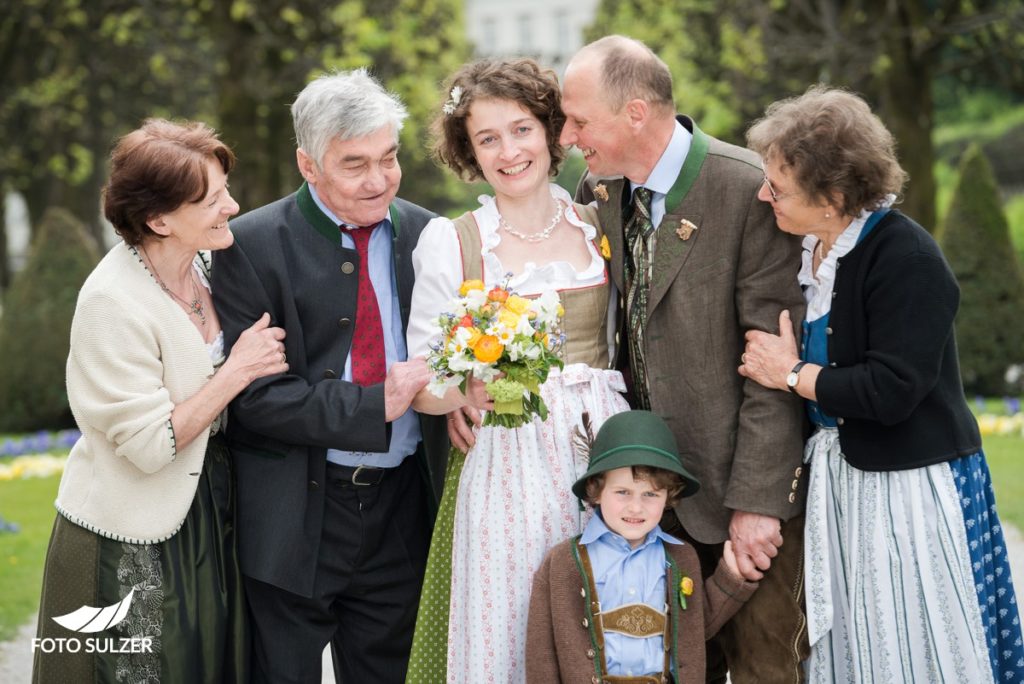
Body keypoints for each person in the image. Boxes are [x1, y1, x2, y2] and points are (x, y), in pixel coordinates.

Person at [740, 84, 1024, 682]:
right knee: (859, 646)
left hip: (911, 487)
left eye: (780, 188)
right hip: (845, 484)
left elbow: (892, 390)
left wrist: (790, 373)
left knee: (914, 644)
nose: (765, 195)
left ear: (834, 196)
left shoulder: (907, 258)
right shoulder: (811, 250)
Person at [555, 35, 809, 681]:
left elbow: (772, 368)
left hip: (738, 505)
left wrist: (757, 506)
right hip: (652, 507)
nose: (567, 136)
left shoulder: (746, 190)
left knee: (764, 671)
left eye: (580, 120)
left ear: (635, 114)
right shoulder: (601, 189)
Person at [210, 69, 444, 683]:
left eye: (389, 158)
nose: (379, 180)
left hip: (402, 509)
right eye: (355, 164)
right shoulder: (248, 245)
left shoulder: (429, 236)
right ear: (308, 165)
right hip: (293, 516)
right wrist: (375, 404)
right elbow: (256, 398)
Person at [33, 118, 287, 683]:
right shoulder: (110, 301)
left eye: (226, 191)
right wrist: (237, 369)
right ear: (158, 219)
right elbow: (149, 446)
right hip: (130, 539)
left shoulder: (205, 265)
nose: (234, 207)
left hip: (214, 517)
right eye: (214, 200)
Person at [404, 58, 630, 683]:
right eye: (488, 138)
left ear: (553, 131)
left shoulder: (599, 222)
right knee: (510, 619)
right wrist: (460, 394)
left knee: (605, 618)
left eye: (522, 128)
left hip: (599, 444)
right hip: (507, 450)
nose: (509, 151)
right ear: (468, 151)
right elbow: (425, 378)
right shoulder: (453, 241)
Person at [526, 410, 758, 683]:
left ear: (668, 496)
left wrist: (729, 578)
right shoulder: (563, 562)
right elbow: (541, 654)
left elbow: (693, 629)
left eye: (650, 494)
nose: (636, 507)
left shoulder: (681, 558)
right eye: (623, 492)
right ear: (596, 489)